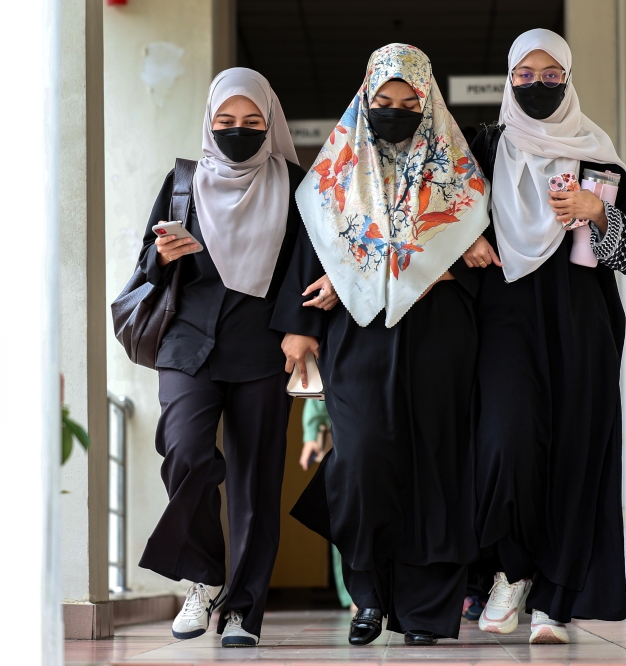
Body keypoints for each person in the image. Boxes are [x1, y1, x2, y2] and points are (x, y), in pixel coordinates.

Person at [271, 43, 489, 646]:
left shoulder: (462, 176)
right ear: (365, 100)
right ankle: (367, 598)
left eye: (408, 102)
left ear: (429, 103)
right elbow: (308, 253)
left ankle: (427, 612)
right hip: (359, 341)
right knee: (363, 462)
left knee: (435, 467)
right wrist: (301, 325)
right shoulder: (332, 175)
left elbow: (482, 265)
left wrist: (404, 268)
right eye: (383, 101)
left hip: (439, 338)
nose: (394, 110)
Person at [462, 29, 626, 644]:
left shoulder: (596, 152)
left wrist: (598, 214)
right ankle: (510, 570)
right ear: (509, 79)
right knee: (506, 440)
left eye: (551, 76)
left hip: (581, 319)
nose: (537, 87)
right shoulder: (484, 149)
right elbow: (441, 213)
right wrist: (469, 238)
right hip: (505, 315)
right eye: (525, 75)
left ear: (568, 81)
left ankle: (554, 599)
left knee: (576, 449)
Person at [135, 68, 305, 648]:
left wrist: (298, 329)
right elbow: (148, 259)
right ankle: (203, 579)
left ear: (270, 123)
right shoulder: (183, 181)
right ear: (210, 124)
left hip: (263, 346)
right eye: (226, 122)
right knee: (184, 452)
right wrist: (165, 253)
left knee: (257, 482)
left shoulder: (294, 184)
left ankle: (244, 610)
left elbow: (307, 265)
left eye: (252, 122)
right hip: (188, 344)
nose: (238, 131)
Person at [299, 400, 356, 612]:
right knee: (344, 519)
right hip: (343, 445)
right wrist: (312, 436)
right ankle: (354, 593)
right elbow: (318, 394)